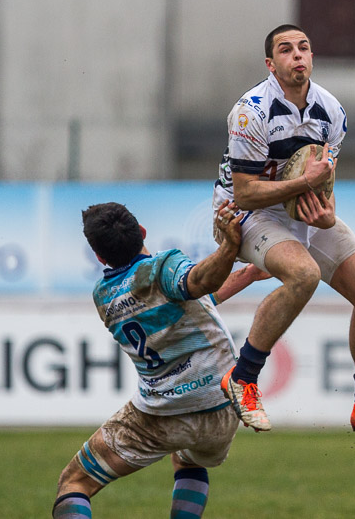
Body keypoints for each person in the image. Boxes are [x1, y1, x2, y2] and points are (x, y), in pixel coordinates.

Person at [211, 23, 355, 448]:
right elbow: (247, 193)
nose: (297, 55)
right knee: (303, 275)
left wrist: (325, 217)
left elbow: (323, 184)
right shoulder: (251, 110)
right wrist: (306, 185)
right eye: (286, 50)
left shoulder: (332, 111)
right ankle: (242, 377)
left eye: (304, 47)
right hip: (244, 214)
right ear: (271, 64)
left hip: (296, 207)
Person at [52, 201, 265, 519]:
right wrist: (231, 247)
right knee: (188, 459)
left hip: (161, 415)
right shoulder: (164, 267)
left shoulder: (104, 296)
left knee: (74, 482)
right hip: (221, 405)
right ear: (142, 233)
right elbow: (199, 285)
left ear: (99, 256)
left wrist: (246, 274)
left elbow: (195, 299)